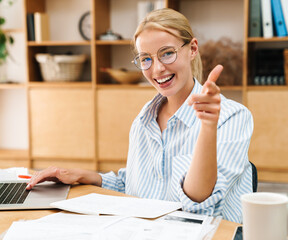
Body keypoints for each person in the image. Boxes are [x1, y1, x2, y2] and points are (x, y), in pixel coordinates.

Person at [27, 8, 253, 223]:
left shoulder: (232, 117)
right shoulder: (144, 120)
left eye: (167, 53)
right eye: (146, 58)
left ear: (192, 49)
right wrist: (84, 175)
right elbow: (136, 186)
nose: (157, 70)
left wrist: (207, 126)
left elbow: (198, 202)